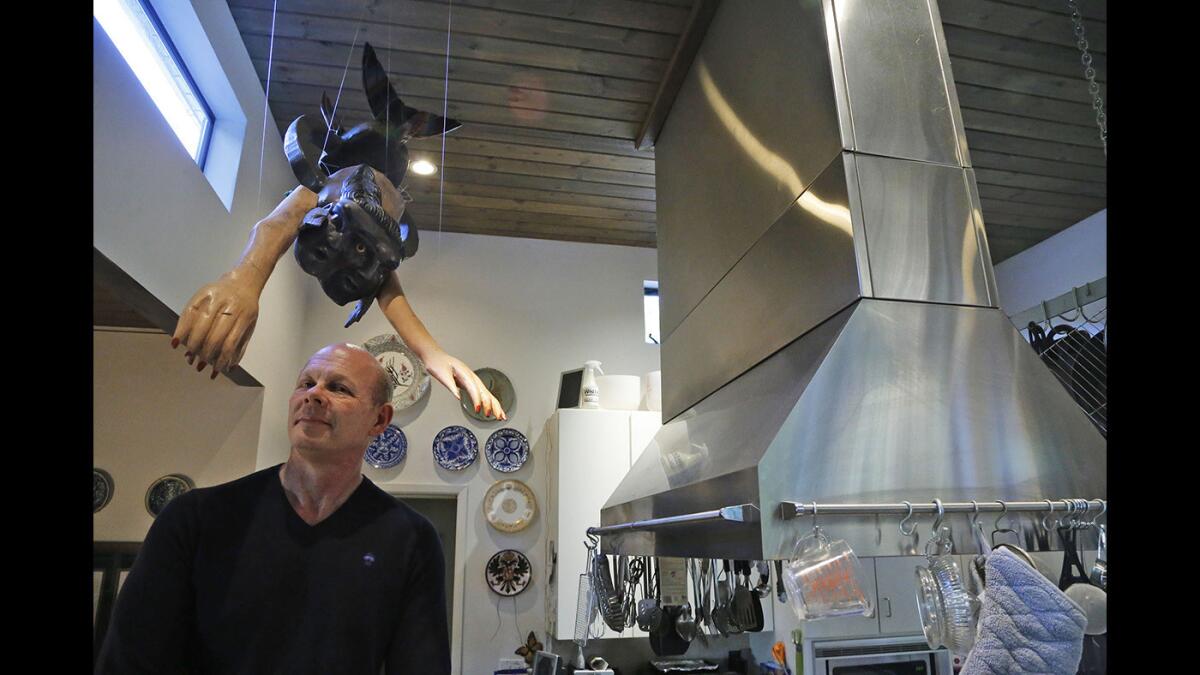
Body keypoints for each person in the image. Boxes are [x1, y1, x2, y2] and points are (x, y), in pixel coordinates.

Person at [96, 343, 451, 674]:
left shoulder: (411, 540)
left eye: (339, 389)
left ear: (379, 420)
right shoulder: (195, 518)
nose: (314, 394)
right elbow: (130, 660)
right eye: (307, 383)